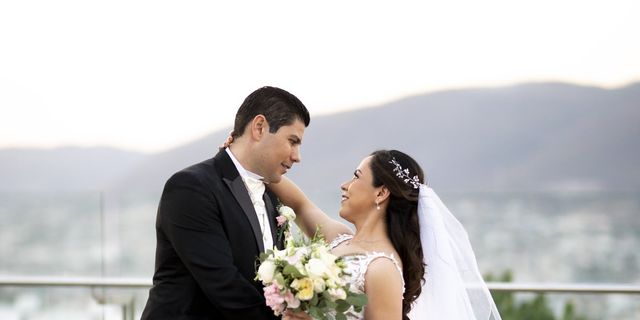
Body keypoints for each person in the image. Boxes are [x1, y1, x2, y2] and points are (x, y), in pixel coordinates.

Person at [268, 149, 502, 320]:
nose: (344, 185)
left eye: (356, 176)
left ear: (381, 193)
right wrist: (243, 159)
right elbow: (300, 205)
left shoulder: (382, 268)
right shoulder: (340, 237)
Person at [140, 86, 310, 320]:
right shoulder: (191, 187)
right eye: (292, 141)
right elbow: (223, 284)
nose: (297, 156)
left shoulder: (272, 198)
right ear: (259, 127)